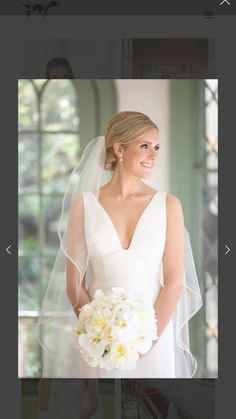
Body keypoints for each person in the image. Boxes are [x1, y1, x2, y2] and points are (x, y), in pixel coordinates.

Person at [37, 111, 202, 378]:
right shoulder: (84, 204)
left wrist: (147, 341)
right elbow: (73, 283)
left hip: (153, 338)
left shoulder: (169, 205)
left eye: (156, 147)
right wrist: (98, 334)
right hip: (100, 344)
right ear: (119, 149)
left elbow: (174, 281)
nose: (153, 156)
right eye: (145, 146)